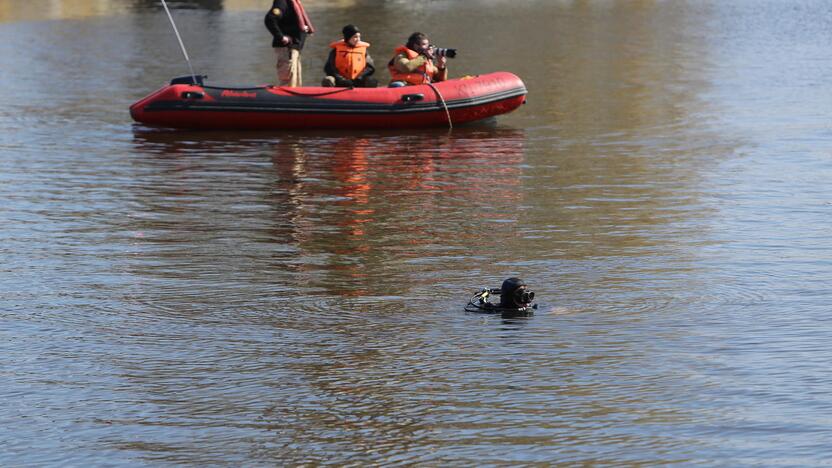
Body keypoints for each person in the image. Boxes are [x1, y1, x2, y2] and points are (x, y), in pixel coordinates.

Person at [264, 0, 315, 87]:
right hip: (286, 49)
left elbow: (293, 21)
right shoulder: (282, 2)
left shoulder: (294, 2)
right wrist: (281, 37)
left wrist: (303, 29)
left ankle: (297, 99)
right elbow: (270, 19)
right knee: (287, 81)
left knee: (296, 83)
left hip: (295, 49)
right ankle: (284, 99)